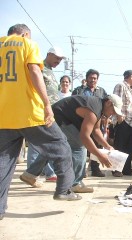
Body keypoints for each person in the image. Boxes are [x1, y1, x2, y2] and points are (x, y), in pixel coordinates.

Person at [0, 24, 81, 220]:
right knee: (60, 145)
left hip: (4, 115)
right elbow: (35, 72)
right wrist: (46, 104)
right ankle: (64, 189)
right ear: (25, 33)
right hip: (30, 112)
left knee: (3, 163)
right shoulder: (27, 44)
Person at [24, 46, 67, 184]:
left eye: (60, 59)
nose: (58, 61)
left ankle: (36, 173)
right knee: (38, 142)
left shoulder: (50, 71)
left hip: (52, 111)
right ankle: (32, 173)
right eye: (57, 58)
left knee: (48, 143)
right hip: (40, 110)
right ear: (49, 54)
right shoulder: (39, 68)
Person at [72, 69, 107, 177]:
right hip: (81, 122)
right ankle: (80, 171)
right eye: (90, 78)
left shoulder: (101, 91)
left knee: (97, 144)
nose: (93, 80)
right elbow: (73, 104)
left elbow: (106, 106)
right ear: (86, 79)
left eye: (95, 78)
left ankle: (95, 169)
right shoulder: (79, 90)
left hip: (96, 122)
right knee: (81, 146)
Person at [112, 70, 132, 177]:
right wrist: (119, 116)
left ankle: (127, 169)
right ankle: (116, 169)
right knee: (120, 146)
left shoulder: (131, 90)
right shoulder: (120, 85)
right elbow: (116, 101)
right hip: (123, 120)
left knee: (130, 147)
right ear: (130, 77)